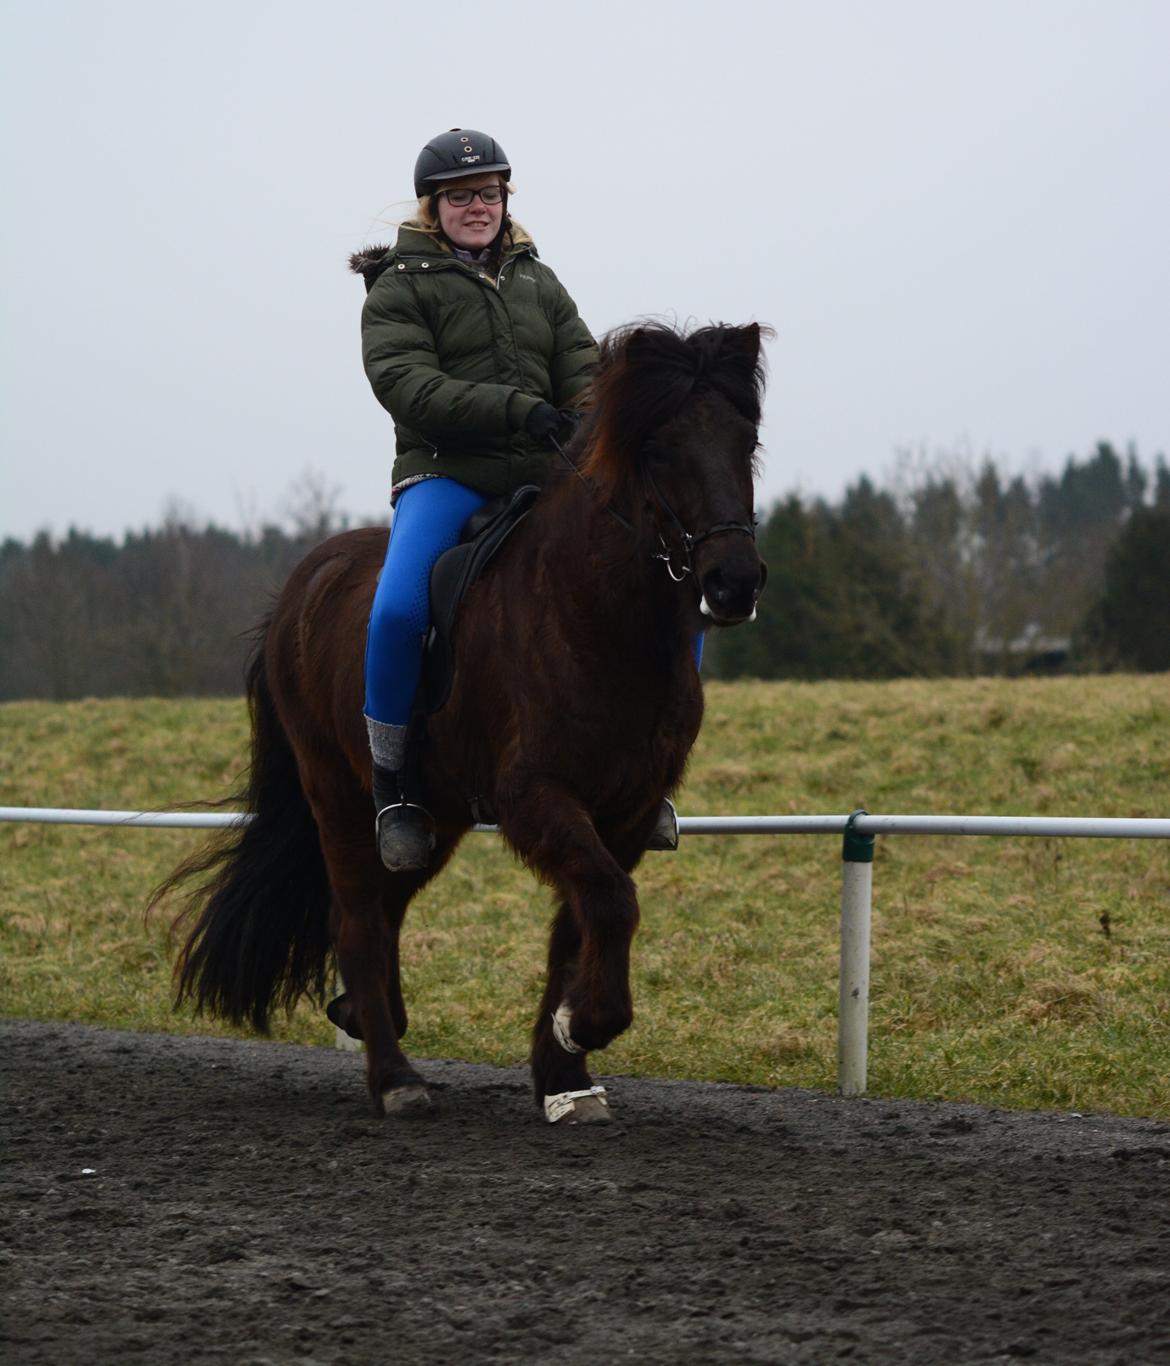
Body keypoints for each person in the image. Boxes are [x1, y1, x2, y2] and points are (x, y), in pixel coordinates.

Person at [351, 128, 598, 872]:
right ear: (435, 206)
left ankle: (635, 772)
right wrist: (517, 409)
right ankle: (391, 785)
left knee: (643, 569)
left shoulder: (540, 281)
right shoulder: (398, 288)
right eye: (461, 197)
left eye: (488, 194)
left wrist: (588, 414)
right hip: (446, 471)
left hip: (544, 471)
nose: (478, 207)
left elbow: (581, 361)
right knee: (397, 609)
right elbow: (408, 386)